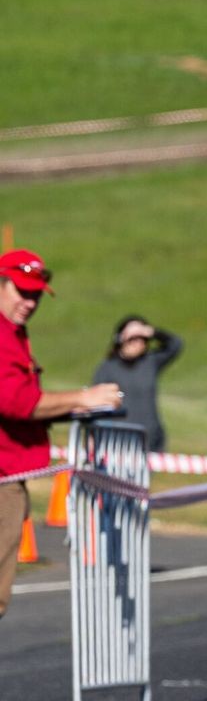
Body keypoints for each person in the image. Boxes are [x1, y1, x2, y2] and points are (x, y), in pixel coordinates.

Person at [0, 250, 122, 620]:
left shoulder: (15, 333)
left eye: (36, 295)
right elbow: (16, 401)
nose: (30, 302)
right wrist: (84, 397)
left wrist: (73, 408)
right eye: (22, 291)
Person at [93, 315, 182, 453]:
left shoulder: (150, 362)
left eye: (142, 339)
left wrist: (151, 332)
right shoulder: (107, 367)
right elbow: (96, 406)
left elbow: (176, 344)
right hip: (118, 442)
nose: (137, 342)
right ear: (120, 339)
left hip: (150, 440)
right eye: (132, 338)